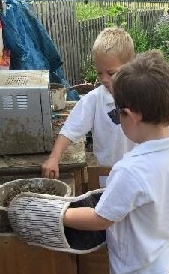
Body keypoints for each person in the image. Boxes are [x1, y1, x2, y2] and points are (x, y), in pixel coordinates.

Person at [61, 50, 169, 274]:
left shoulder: (129, 169)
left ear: (129, 115)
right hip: (158, 254)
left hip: (135, 268)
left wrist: (61, 215)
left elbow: (100, 219)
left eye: (117, 114)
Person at [41, 27, 136, 179]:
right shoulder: (94, 100)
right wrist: (54, 158)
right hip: (108, 180)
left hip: (139, 179)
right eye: (99, 73)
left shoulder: (142, 96)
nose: (104, 79)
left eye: (111, 73)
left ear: (130, 66)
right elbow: (70, 129)